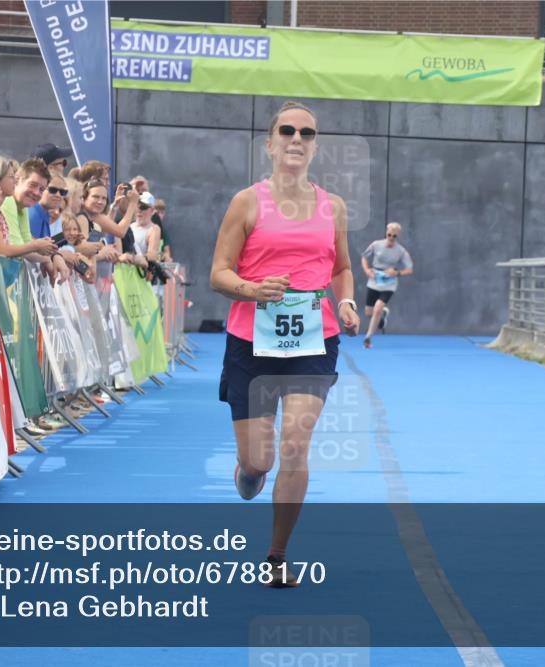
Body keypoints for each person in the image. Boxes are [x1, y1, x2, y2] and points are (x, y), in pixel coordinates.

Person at [210, 101, 360, 586]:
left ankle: (276, 557)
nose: (298, 139)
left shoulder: (331, 205)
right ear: (270, 143)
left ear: (315, 146)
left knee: (296, 444)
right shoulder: (247, 202)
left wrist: (347, 302)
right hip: (251, 339)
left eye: (307, 133)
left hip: (314, 340)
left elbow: (340, 267)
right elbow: (218, 273)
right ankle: (248, 472)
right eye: (288, 131)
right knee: (260, 461)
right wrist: (252, 290)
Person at [361, 222, 413, 348]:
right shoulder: (376, 245)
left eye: (394, 236)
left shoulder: (401, 251)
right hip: (374, 280)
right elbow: (364, 257)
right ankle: (382, 317)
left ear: (397, 236)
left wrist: (397, 272)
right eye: (389, 234)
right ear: (386, 233)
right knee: (369, 312)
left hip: (389, 283)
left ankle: (368, 337)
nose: (391, 238)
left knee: (378, 307)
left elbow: (409, 269)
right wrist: (367, 270)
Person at [28, 172, 68, 239]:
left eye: (62, 192)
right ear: (41, 189)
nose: (58, 195)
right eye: (52, 190)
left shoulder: (44, 214)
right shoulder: (32, 214)